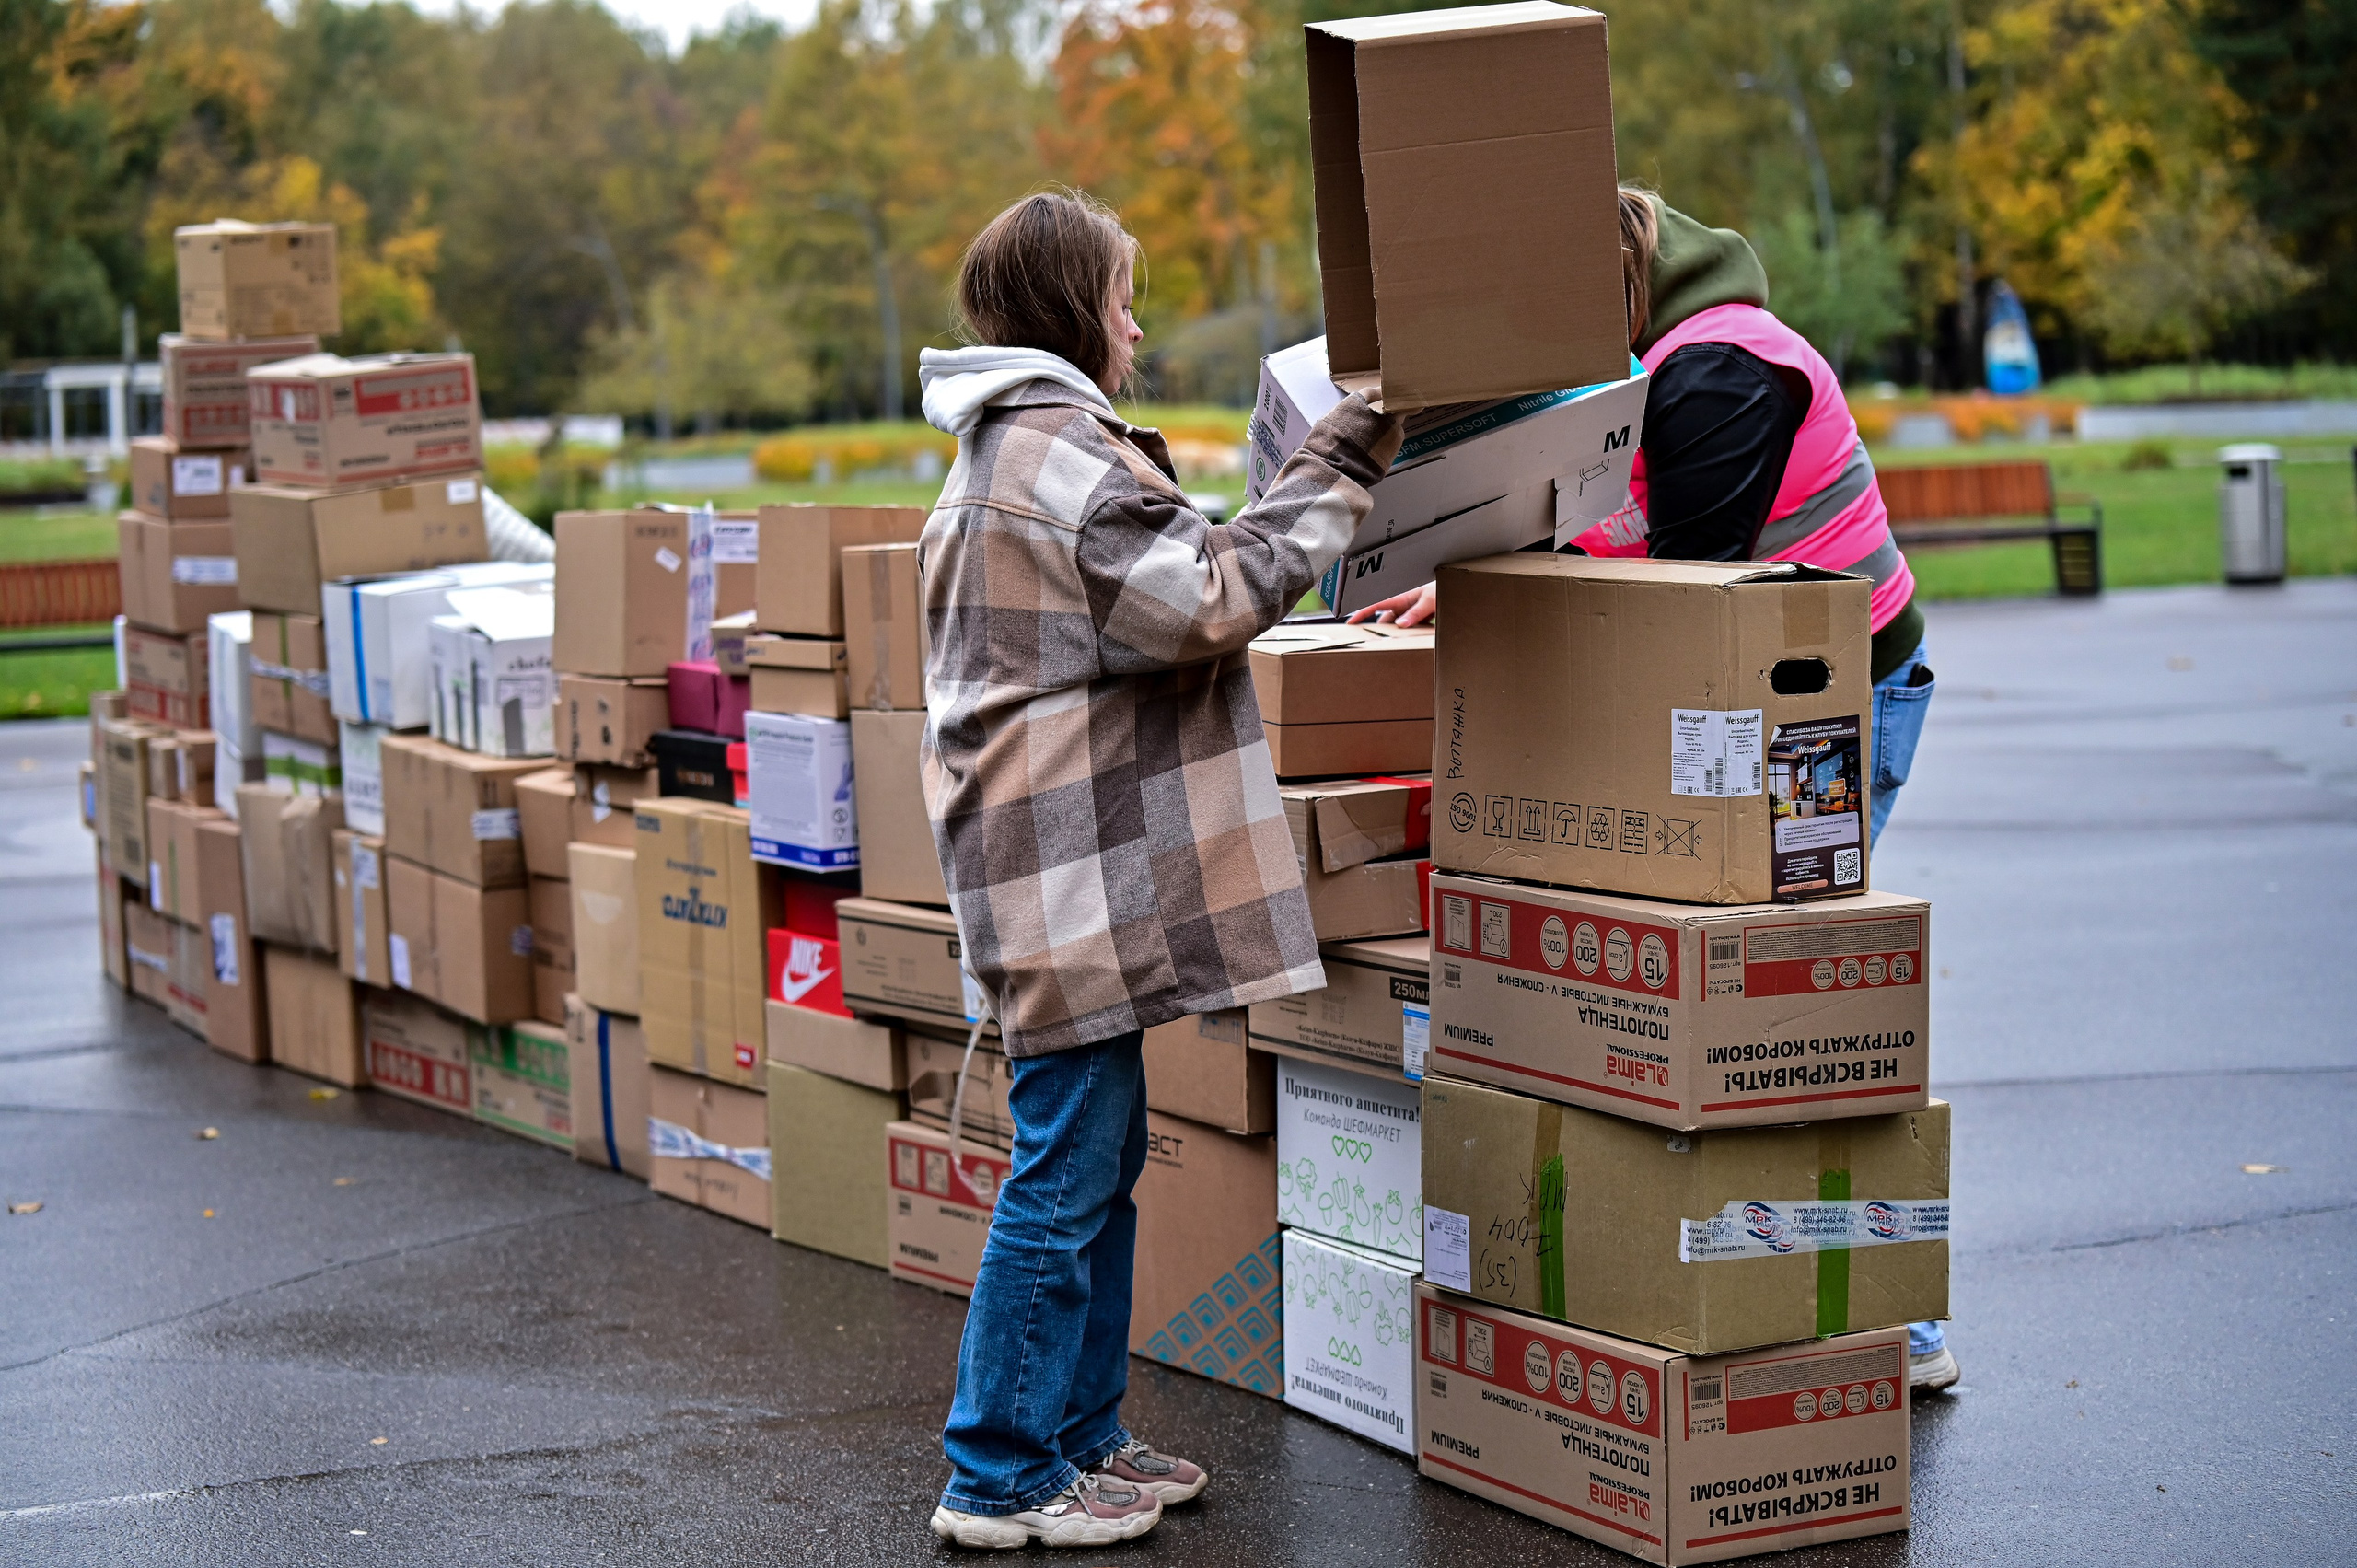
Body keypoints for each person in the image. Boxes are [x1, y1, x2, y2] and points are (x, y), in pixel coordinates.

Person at [1350, 187, 1955, 1394]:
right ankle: (1751, 1287)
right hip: (1778, 706)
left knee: (1791, 1017)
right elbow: (1636, 539)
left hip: (1823, 721)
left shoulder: (1720, 369)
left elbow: (1689, 590)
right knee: (1752, 1014)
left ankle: (1890, 1317)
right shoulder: (1678, 361)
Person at [913, 188, 1406, 1549]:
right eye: (1124, 297)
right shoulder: (1061, 451)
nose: (1138, 323)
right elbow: (1208, 601)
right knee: (1066, 1169)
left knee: (1097, 1154)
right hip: (1062, 878)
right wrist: (1343, 459)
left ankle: (1074, 1438)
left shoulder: (1011, 445)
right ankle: (1000, 1473)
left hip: (1054, 868)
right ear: (1076, 309)